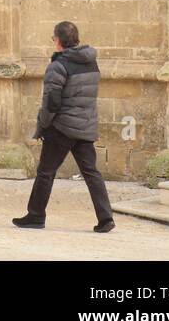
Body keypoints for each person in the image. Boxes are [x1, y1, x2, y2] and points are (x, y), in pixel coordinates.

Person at [13, 20, 115, 233]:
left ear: (58, 40)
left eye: (53, 38)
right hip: (85, 126)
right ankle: (106, 218)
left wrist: (42, 125)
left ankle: (35, 216)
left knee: (45, 172)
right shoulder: (91, 62)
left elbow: (52, 102)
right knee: (91, 173)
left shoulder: (57, 66)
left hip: (62, 128)